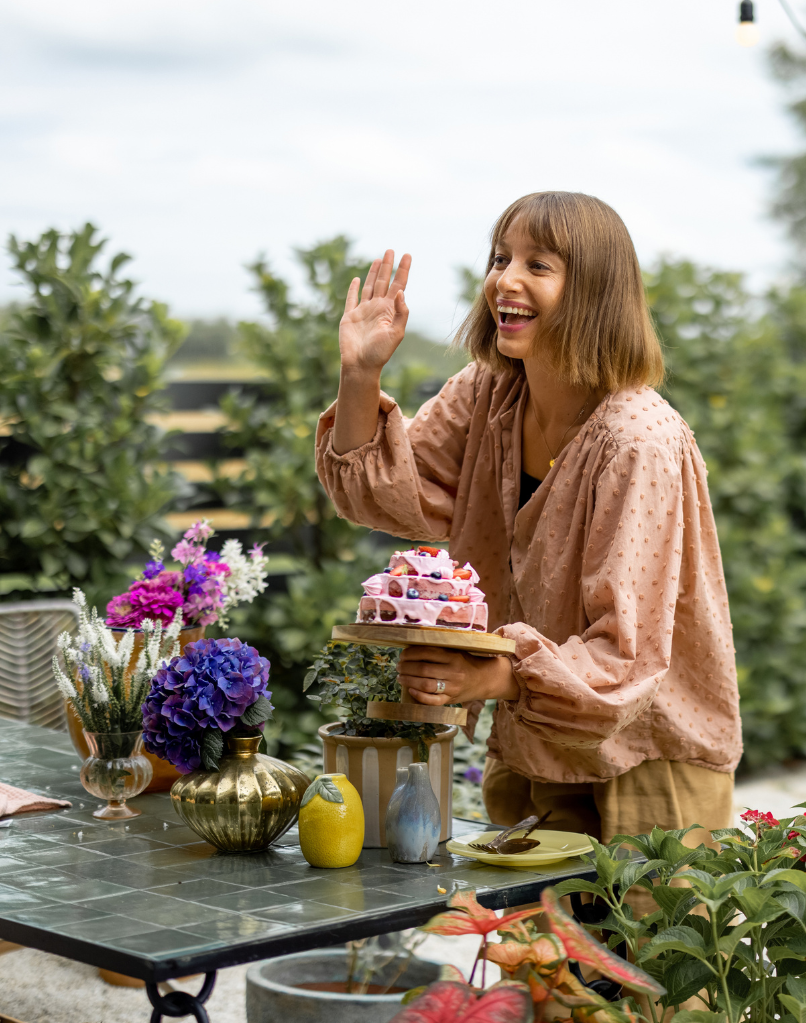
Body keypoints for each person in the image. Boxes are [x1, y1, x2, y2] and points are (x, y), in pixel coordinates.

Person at [315, 191, 740, 846]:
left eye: (538, 265)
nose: (503, 280)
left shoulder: (639, 441)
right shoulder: (488, 393)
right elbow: (381, 496)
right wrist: (359, 373)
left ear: (593, 294)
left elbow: (626, 655)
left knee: (634, 948)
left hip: (649, 766)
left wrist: (494, 673)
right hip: (534, 739)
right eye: (500, 257)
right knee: (527, 949)